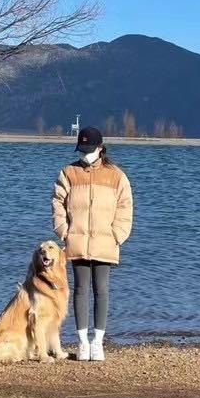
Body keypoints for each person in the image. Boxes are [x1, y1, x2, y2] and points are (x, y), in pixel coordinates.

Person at [51, 125, 133, 361]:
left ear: (100, 148)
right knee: (80, 290)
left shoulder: (116, 175)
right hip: (76, 240)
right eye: (81, 149)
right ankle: (82, 342)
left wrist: (117, 234)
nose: (84, 154)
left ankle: (97, 342)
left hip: (105, 242)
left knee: (102, 290)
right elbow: (57, 202)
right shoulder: (68, 173)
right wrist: (64, 232)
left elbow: (125, 206)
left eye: (88, 149)